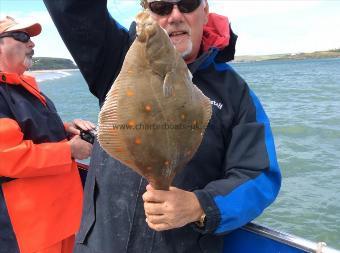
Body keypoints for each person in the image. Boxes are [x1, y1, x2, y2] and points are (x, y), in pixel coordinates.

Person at [44, 0, 282, 252]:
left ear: (205, 11)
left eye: (187, 4)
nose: (175, 15)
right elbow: (73, 9)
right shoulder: (117, 56)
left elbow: (258, 174)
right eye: (161, 7)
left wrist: (200, 206)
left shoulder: (234, 92)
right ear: (147, 12)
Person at [0, 16, 95, 253]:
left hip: (59, 217)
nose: (31, 44)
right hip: (29, 229)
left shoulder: (22, 86)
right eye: (22, 37)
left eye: (30, 38)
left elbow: (30, 129)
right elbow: (7, 156)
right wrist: (69, 150)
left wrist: (65, 129)